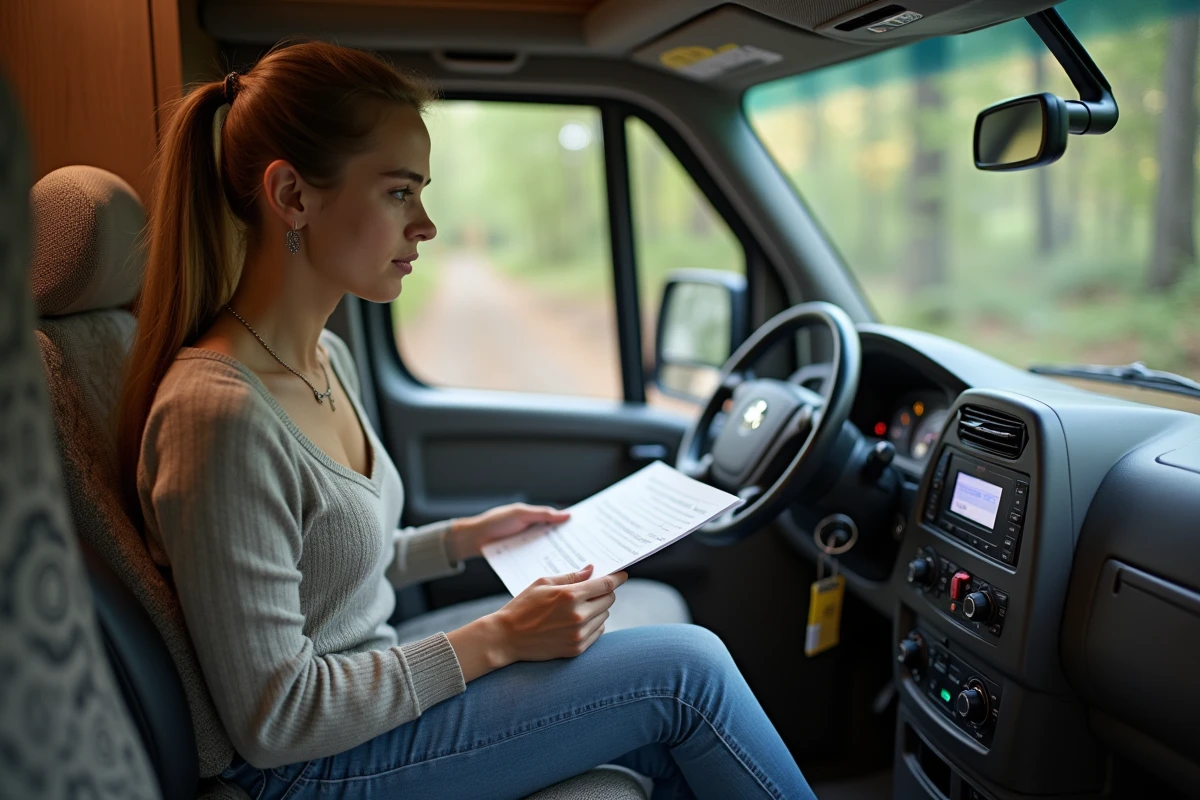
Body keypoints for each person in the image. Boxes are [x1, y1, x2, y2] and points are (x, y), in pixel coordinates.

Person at [117, 40, 816, 800]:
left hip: (363, 694)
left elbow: (323, 569)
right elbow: (275, 717)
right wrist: (501, 637)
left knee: (664, 695)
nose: (426, 225)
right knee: (689, 674)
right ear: (292, 195)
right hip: (310, 768)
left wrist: (465, 539)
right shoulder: (216, 417)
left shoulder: (321, 359)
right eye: (398, 192)